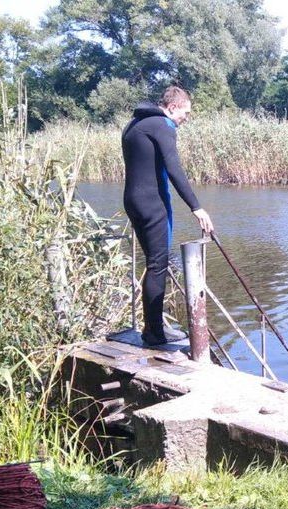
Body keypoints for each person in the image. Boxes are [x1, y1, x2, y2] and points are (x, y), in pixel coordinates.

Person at [122, 86, 214, 346]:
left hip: (133, 201)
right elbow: (174, 169)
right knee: (157, 265)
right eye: (186, 112)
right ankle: (154, 334)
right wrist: (196, 207)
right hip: (153, 204)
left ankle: (155, 326)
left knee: (154, 263)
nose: (186, 118)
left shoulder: (134, 124)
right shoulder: (162, 125)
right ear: (172, 107)